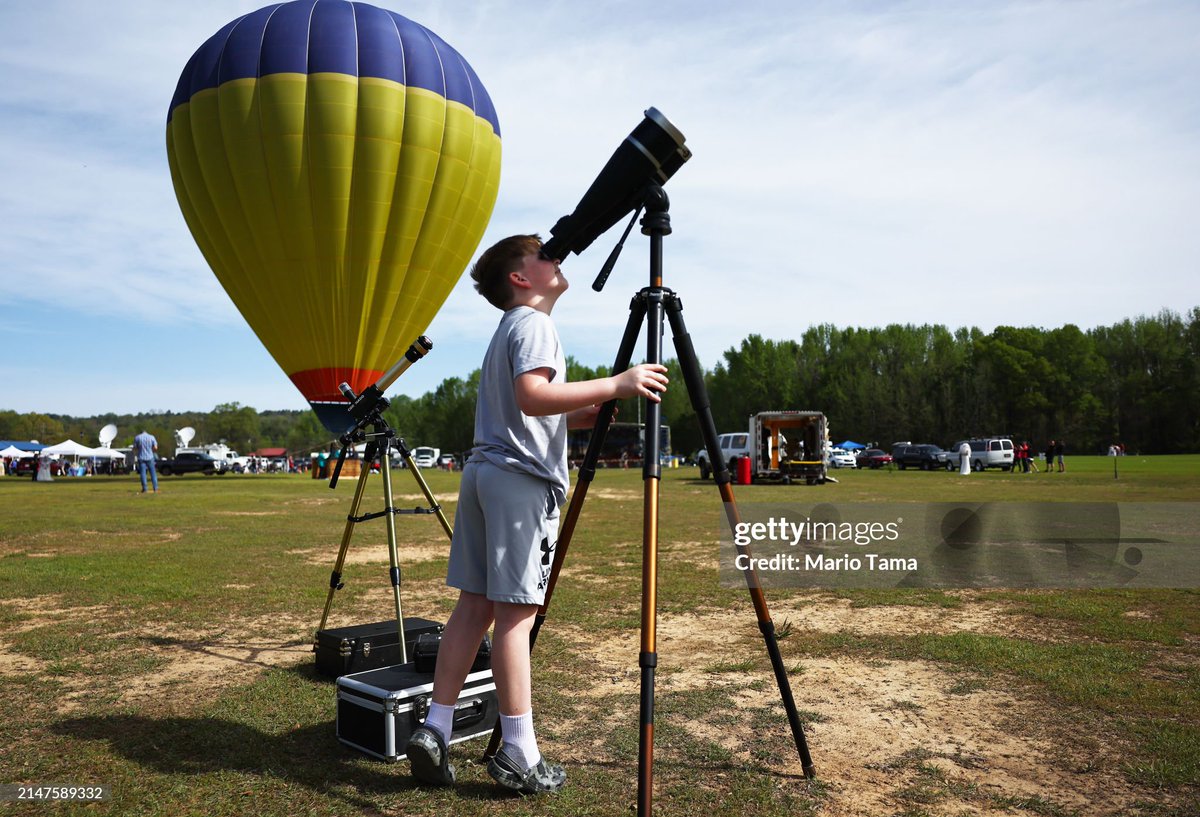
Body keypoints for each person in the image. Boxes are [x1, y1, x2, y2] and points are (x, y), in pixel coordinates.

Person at [404, 235, 668, 795]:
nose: (557, 258)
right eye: (543, 255)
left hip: (484, 472)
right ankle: (520, 753)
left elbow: (530, 410)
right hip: (519, 484)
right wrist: (618, 383)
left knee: (472, 609)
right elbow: (531, 396)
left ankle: (436, 727)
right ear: (521, 278)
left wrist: (579, 410)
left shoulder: (506, 331)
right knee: (515, 615)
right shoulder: (534, 324)